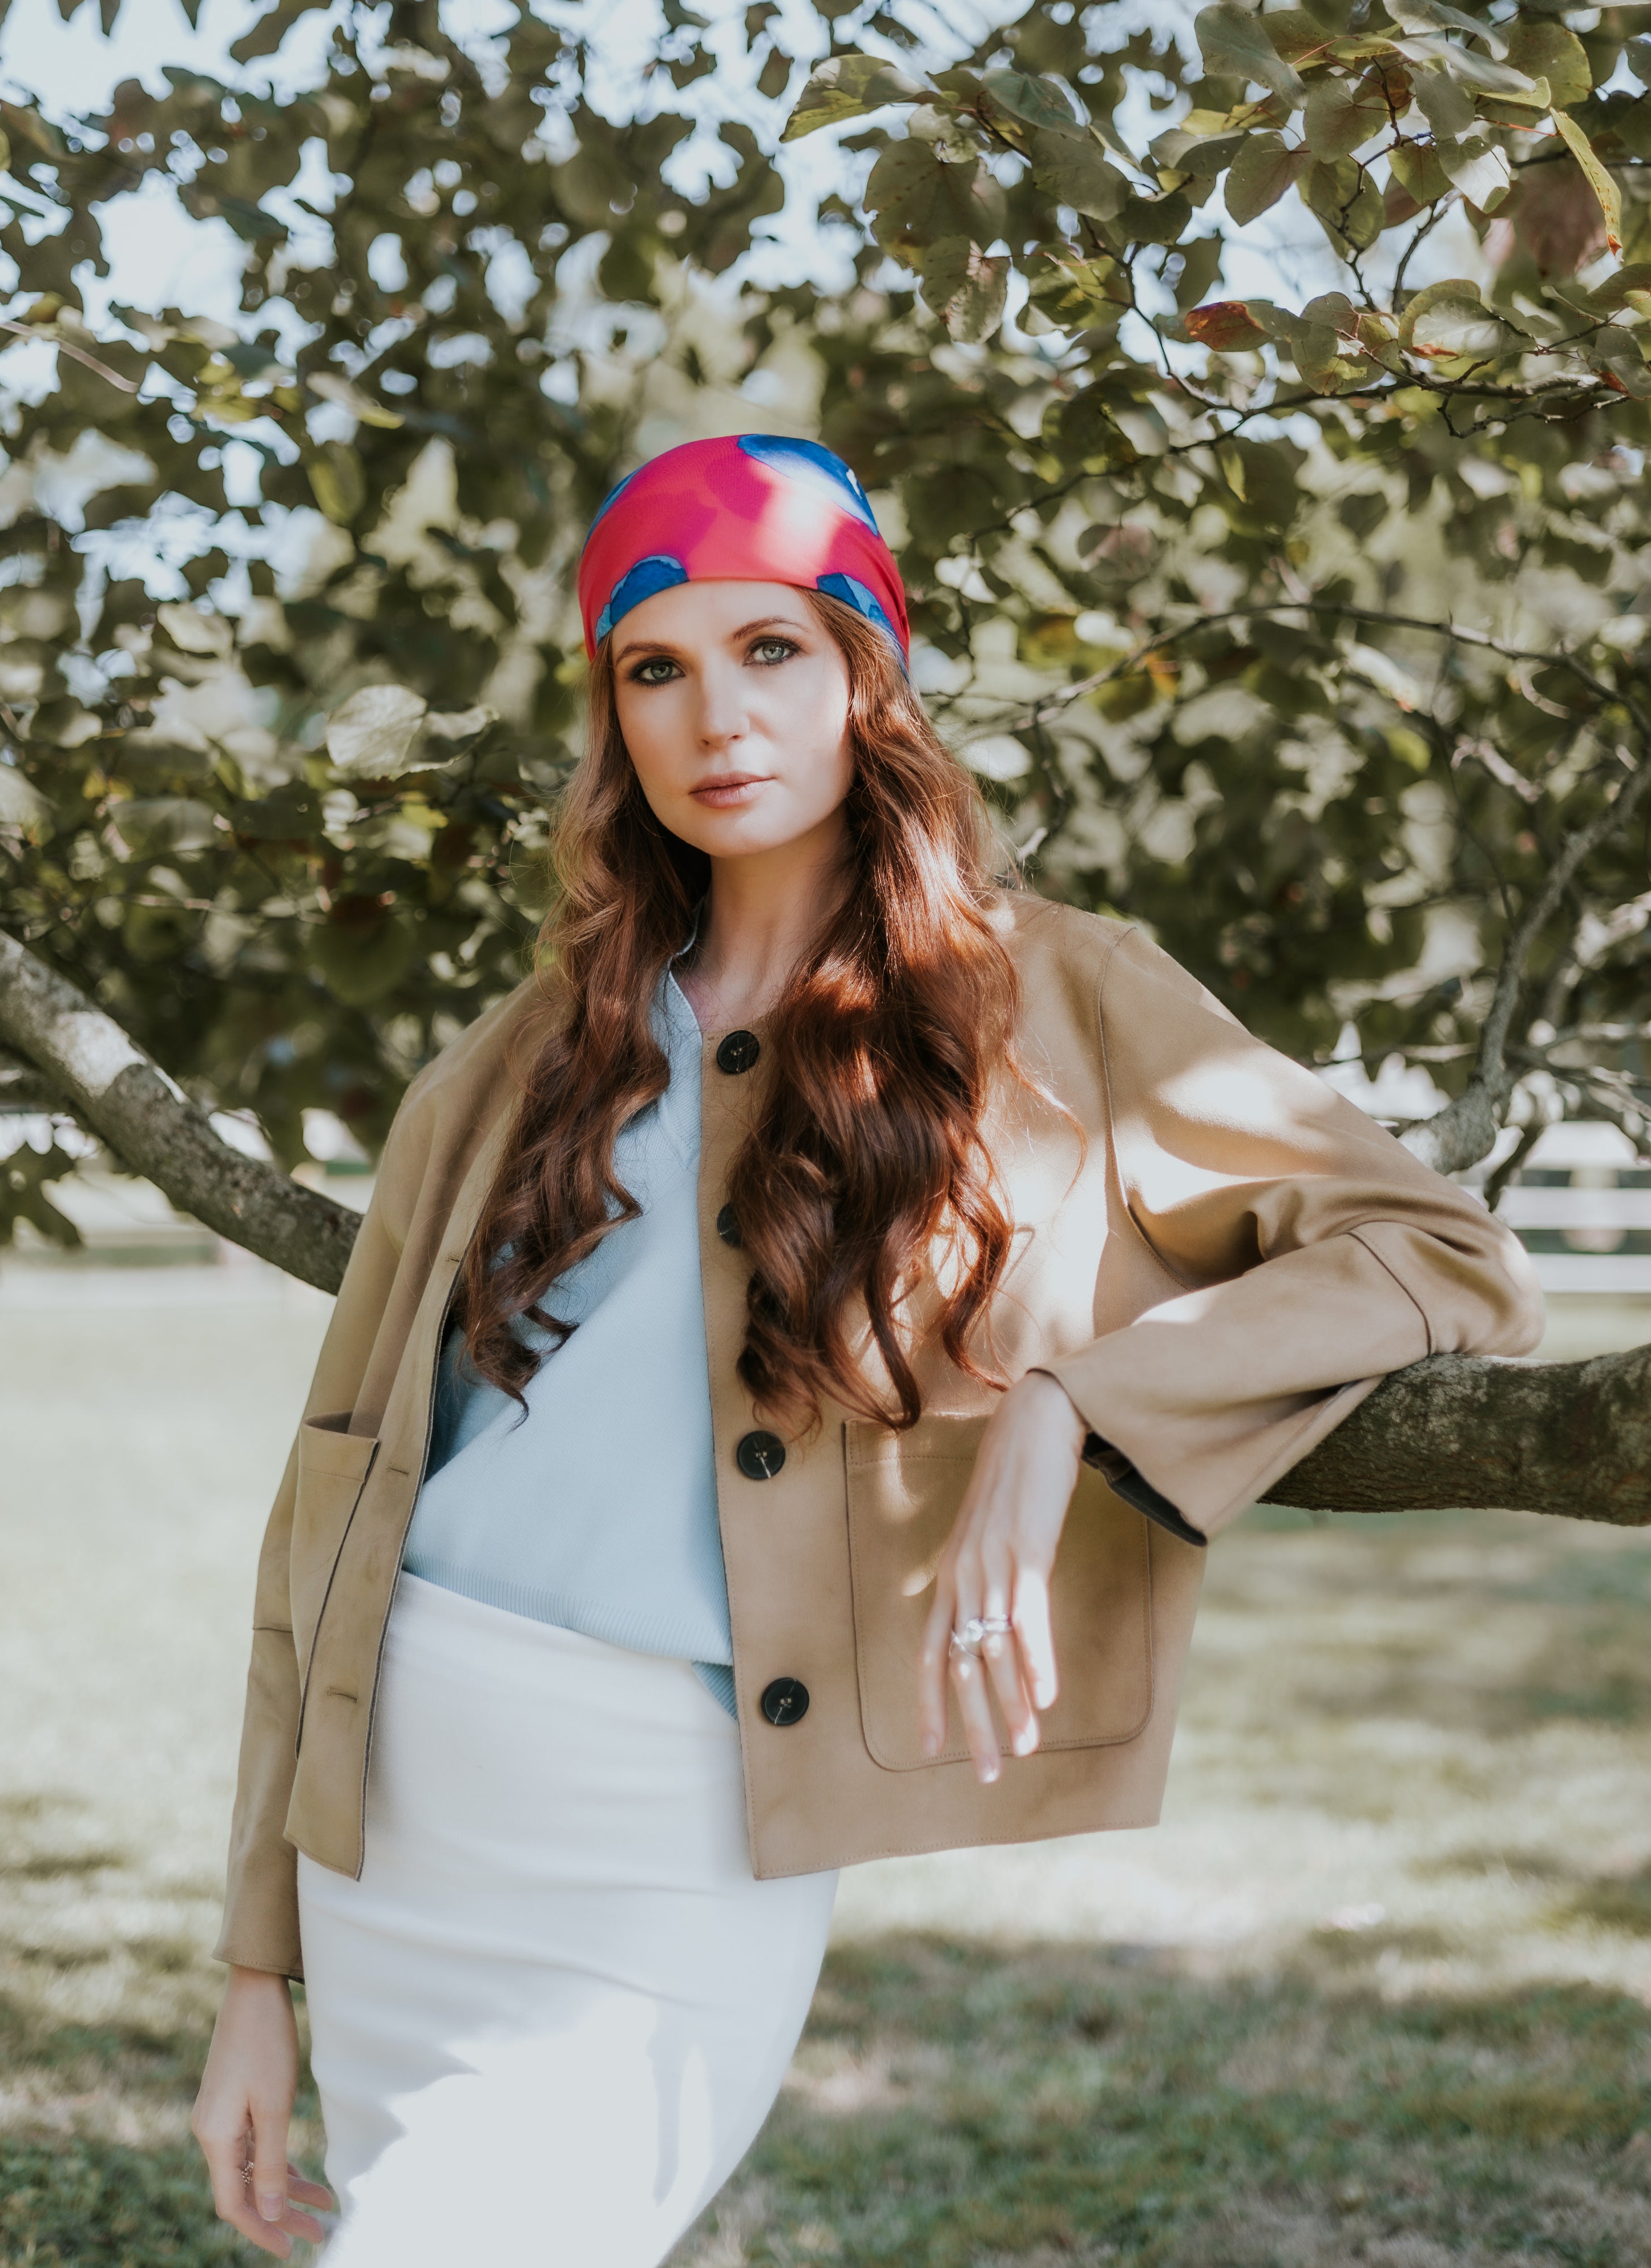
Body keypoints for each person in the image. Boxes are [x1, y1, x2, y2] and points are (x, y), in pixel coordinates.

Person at [191, 433, 1541, 2261]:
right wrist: (252, 1973)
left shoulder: (1053, 997)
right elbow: (327, 1509)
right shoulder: (523, 1056)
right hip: (411, 1793)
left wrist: (1080, 1404)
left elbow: (1438, 1250)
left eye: (770, 650)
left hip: (687, 1820)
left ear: (864, 678)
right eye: (653, 668)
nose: (711, 716)